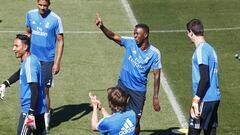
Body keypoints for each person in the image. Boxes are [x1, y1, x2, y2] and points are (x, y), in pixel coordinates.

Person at [96, 13, 162, 134]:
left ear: (145, 35)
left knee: (136, 120)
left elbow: (157, 75)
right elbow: (113, 36)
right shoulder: (130, 42)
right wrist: (102, 27)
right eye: (134, 33)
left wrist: (155, 97)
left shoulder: (154, 53)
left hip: (138, 90)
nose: (135, 35)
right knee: (117, 113)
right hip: (123, 85)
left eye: (137, 34)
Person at [25, 0, 64, 131]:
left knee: (45, 90)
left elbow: (60, 41)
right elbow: (28, 33)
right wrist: (25, 53)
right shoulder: (30, 15)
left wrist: (57, 62)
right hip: (33, 58)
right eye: (40, 5)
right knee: (33, 87)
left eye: (45, 5)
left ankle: (46, 114)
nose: (42, 8)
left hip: (47, 60)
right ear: (37, 3)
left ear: (49, 5)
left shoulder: (55, 19)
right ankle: (33, 114)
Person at [0, 34, 46, 135]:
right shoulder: (31, 59)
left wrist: (30, 112)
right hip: (39, 109)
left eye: (16, 46)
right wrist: (5, 84)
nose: (13, 49)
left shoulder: (29, 64)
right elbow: (20, 72)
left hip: (30, 110)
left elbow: (34, 89)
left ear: (25, 47)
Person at [186, 19, 221, 135]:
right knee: (210, 130)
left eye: (188, 32)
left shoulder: (201, 50)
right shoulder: (211, 49)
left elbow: (205, 78)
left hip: (204, 99)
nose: (188, 36)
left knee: (193, 131)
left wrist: (196, 99)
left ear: (191, 32)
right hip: (214, 98)